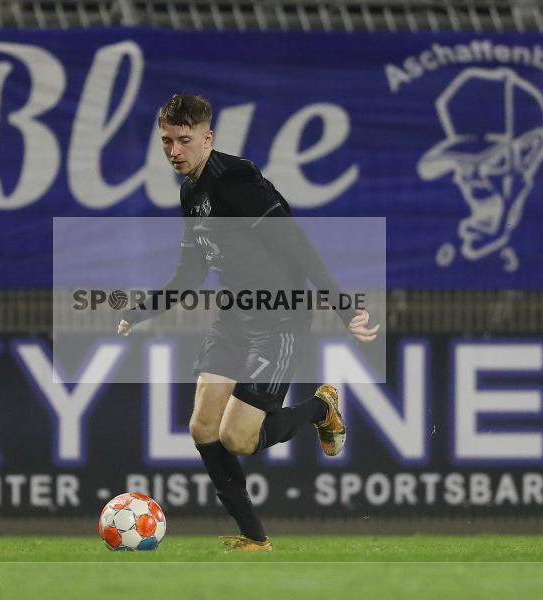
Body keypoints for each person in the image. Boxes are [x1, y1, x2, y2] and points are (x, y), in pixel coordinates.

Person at [117, 94, 379, 551]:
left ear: (207, 138)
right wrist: (142, 309)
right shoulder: (189, 192)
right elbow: (192, 271)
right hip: (234, 315)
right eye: (166, 141)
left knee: (238, 438)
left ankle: (322, 408)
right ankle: (255, 538)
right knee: (202, 427)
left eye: (184, 140)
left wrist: (341, 306)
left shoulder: (234, 178)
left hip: (281, 315)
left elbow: (293, 240)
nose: (175, 151)